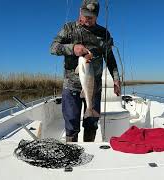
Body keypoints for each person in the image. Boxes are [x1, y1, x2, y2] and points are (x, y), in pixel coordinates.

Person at [50, 0, 121, 142]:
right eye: (85, 15)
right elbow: (53, 47)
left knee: (91, 123)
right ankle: (72, 151)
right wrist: (72, 48)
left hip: (94, 87)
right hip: (71, 86)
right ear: (80, 12)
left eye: (91, 16)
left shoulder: (103, 33)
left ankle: (89, 150)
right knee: (71, 125)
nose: (87, 19)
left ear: (97, 16)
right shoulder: (69, 28)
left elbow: (110, 59)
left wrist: (116, 78)